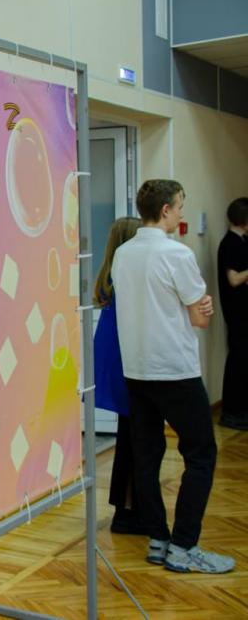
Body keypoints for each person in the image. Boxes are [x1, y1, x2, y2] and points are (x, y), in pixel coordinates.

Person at [112, 179, 233, 574]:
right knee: (201, 454)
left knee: (146, 458)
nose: (182, 212)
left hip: (137, 370)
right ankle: (184, 546)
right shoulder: (177, 254)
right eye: (179, 206)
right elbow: (200, 318)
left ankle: (158, 540)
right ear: (165, 210)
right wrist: (199, 309)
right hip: (175, 371)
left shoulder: (123, 254)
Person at [93, 216, 144, 534]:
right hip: (127, 363)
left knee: (131, 436)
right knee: (134, 438)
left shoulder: (110, 276)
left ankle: (127, 507)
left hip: (117, 361)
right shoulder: (125, 277)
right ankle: (127, 510)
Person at [217, 197, 248, 430]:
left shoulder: (242, 241)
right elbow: (234, 279)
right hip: (237, 313)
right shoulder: (230, 243)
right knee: (238, 360)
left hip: (244, 312)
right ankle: (231, 412)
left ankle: (241, 409)